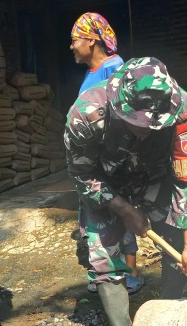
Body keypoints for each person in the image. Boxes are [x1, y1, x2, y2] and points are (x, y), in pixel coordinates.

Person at [64, 57, 187, 326]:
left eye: (153, 125)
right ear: (118, 104)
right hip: (105, 185)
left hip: (155, 179)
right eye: (136, 123)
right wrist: (124, 209)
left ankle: (168, 316)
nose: (144, 132)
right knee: (104, 255)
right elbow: (82, 176)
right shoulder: (86, 114)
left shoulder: (183, 111)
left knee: (176, 241)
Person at [70, 13, 143, 295]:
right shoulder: (91, 72)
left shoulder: (114, 69)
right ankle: (105, 271)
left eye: (75, 40)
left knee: (123, 212)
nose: (72, 46)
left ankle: (132, 272)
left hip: (113, 160)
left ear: (91, 40)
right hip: (91, 161)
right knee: (96, 215)